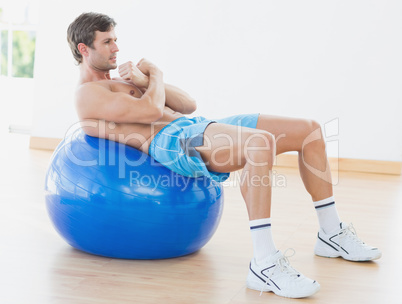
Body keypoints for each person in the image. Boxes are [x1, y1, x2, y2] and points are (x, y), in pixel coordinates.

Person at [67, 12, 381, 299]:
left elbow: (188, 105)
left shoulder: (125, 81)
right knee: (260, 143)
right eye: (107, 42)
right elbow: (150, 110)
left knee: (309, 130)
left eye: (116, 40)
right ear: (84, 49)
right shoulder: (88, 94)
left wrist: (144, 80)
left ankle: (331, 232)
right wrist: (157, 75)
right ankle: (264, 263)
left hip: (197, 125)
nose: (116, 48)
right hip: (175, 143)